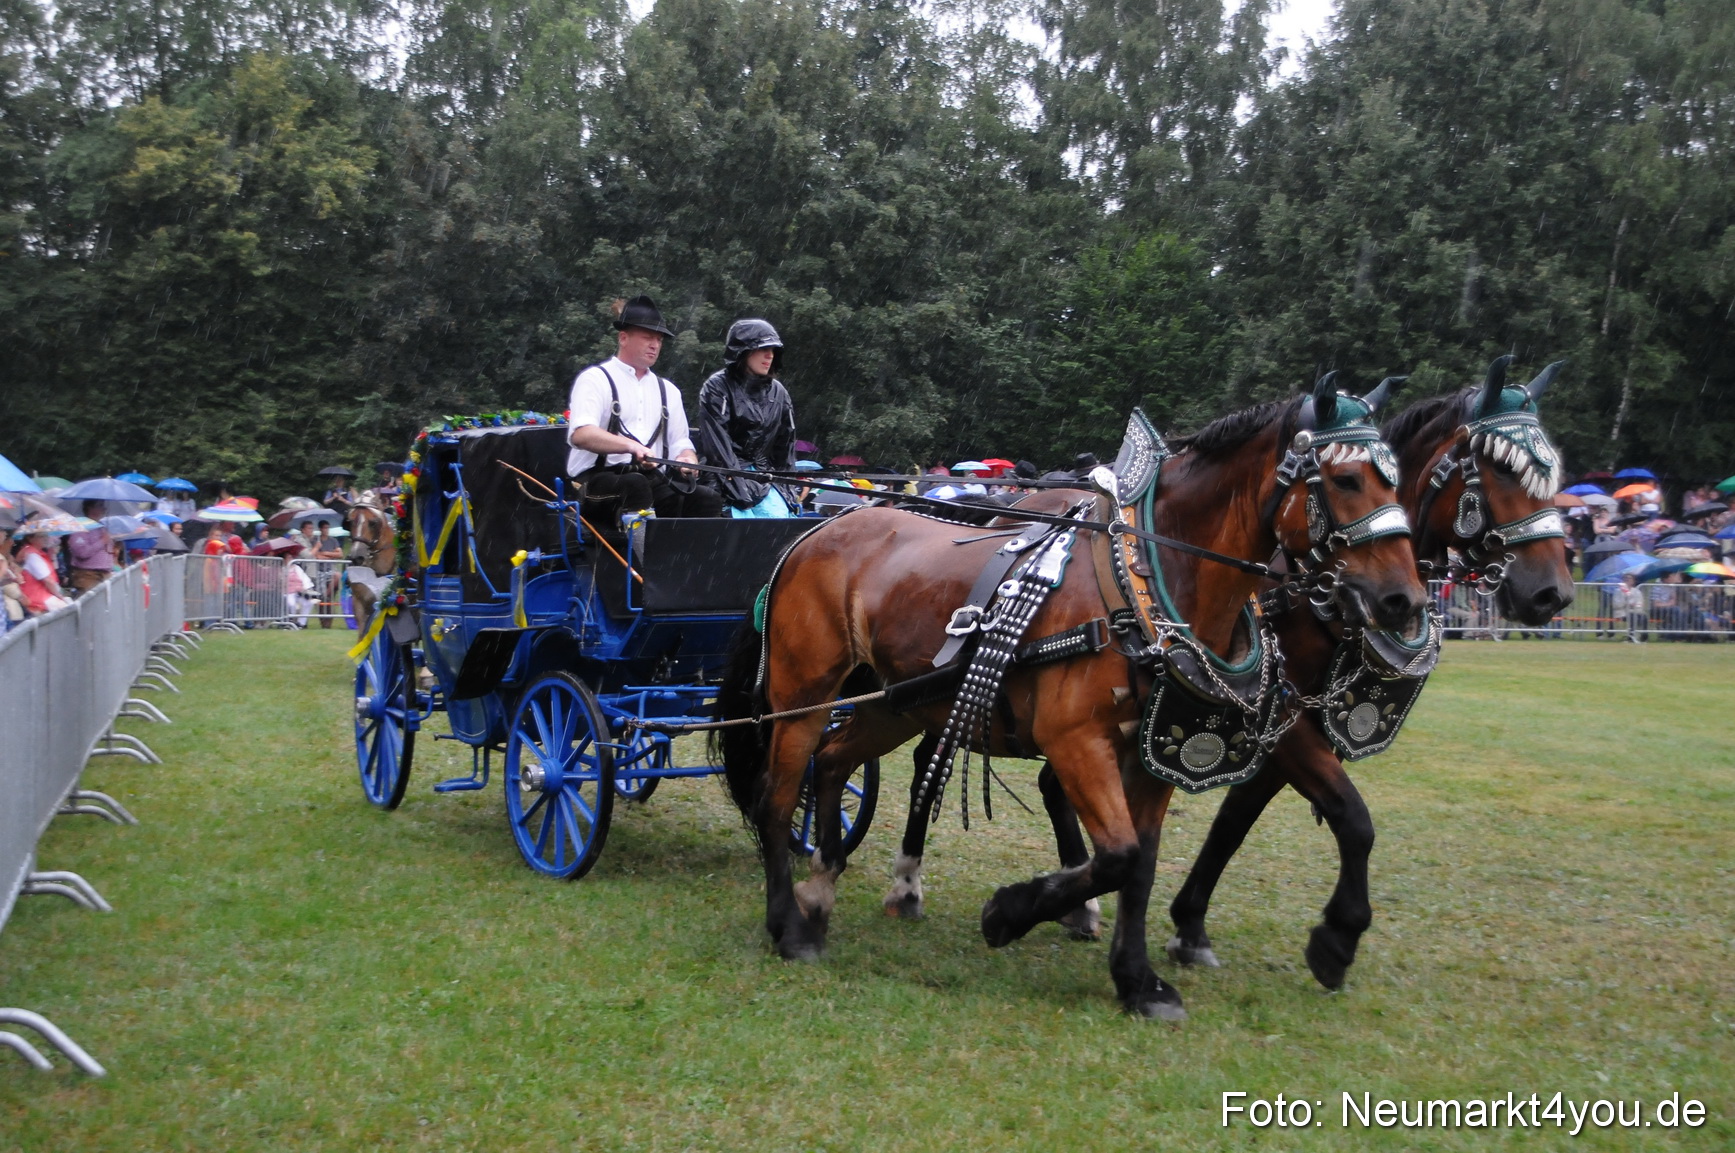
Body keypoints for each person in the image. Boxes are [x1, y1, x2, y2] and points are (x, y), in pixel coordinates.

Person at [566, 295, 723, 522]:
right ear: (623, 338)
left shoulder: (668, 390)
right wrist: (632, 447)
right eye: (648, 337)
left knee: (706, 498)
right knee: (635, 485)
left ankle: (693, 557)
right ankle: (644, 556)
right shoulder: (594, 379)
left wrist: (688, 459)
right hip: (596, 483)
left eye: (659, 339)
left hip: (650, 481)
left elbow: (680, 442)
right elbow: (581, 434)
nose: (655, 345)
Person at [695, 319, 797, 517]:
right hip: (723, 477)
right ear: (743, 352)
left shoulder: (779, 393)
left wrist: (788, 489)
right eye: (763, 349)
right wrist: (739, 489)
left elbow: (785, 448)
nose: (770, 355)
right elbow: (718, 448)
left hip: (765, 477)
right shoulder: (718, 387)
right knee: (741, 526)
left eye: (773, 350)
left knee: (781, 522)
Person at [15, 526, 70, 615]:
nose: (46, 538)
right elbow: (48, 580)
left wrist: (52, 555)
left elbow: (52, 574)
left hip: (41, 593)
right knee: (68, 610)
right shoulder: (32, 555)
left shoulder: (34, 551)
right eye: (41, 536)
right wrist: (60, 596)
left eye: (46, 535)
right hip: (37, 596)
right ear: (30, 538)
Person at [65, 500, 115, 593]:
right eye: (100, 505)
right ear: (90, 508)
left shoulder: (102, 527)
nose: (104, 509)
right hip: (88, 575)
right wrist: (102, 541)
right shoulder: (80, 527)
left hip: (105, 574)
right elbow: (82, 552)